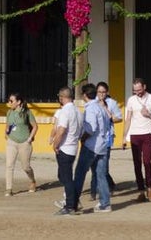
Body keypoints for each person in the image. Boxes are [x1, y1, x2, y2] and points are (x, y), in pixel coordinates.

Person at [72, 84, 114, 213]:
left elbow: (91, 128)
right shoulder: (101, 107)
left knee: (80, 174)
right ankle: (105, 203)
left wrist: (83, 139)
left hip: (91, 146)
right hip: (102, 145)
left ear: (84, 95)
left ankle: (73, 202)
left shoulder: (91, 108)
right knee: (100, 175)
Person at [123, 76, 151, 202]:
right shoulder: (131, 100)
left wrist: (149, 115)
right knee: (136, 163)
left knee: (146, 161)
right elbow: (128, 119)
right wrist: (124, 137)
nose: (137, 93)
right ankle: (141, 190)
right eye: (135, 90)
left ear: (144, 87)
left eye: (139, 90)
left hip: (147, 133)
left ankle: (149, 188)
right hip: (134, 134)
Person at [50, 86, 82, 216]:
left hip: (65, 147)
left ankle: (70, 205)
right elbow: (81, 131)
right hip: (73, 147)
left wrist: (55, 144)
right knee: (66, 177)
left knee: (66, 178)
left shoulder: (65, 112)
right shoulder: (78, 111)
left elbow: (61, 130)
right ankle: (73, 202)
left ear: (61, 97)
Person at [4, 92, 38, 196]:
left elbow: (35, 126)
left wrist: (30, 138)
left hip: (24, 142)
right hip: (12, 141)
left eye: (11, 101)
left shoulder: (27, 112)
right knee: (9, 165)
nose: (9, 103)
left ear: (18, 102)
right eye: (9, 100)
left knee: (26, 167)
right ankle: (8, 189)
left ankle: (32, 181)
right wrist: (6, 133)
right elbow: (7, 125)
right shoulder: (9, 112)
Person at [94, 81, 122, 197]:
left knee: (104, 164)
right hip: (95, 137)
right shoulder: (93, 103)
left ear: (107, 92)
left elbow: (119, 118)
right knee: (96, 164)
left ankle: (106, 188)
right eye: (99, 92)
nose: (101, 94)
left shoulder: (112, 103)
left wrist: (109, 117)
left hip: (107, 136)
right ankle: (107, 184)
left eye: (104, 92)